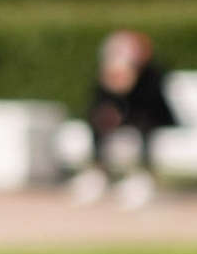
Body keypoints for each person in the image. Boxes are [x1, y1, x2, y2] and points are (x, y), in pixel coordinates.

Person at [72, 27, 176, 205]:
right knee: (98, 121)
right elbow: (98, 101)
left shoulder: (151, 73)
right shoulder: (110, 74)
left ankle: (144, 174)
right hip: (127, 118)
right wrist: (111, 106)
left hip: (152, 117)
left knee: (144, 126)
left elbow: (151, 103)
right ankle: (99, 171)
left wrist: (131, 83)